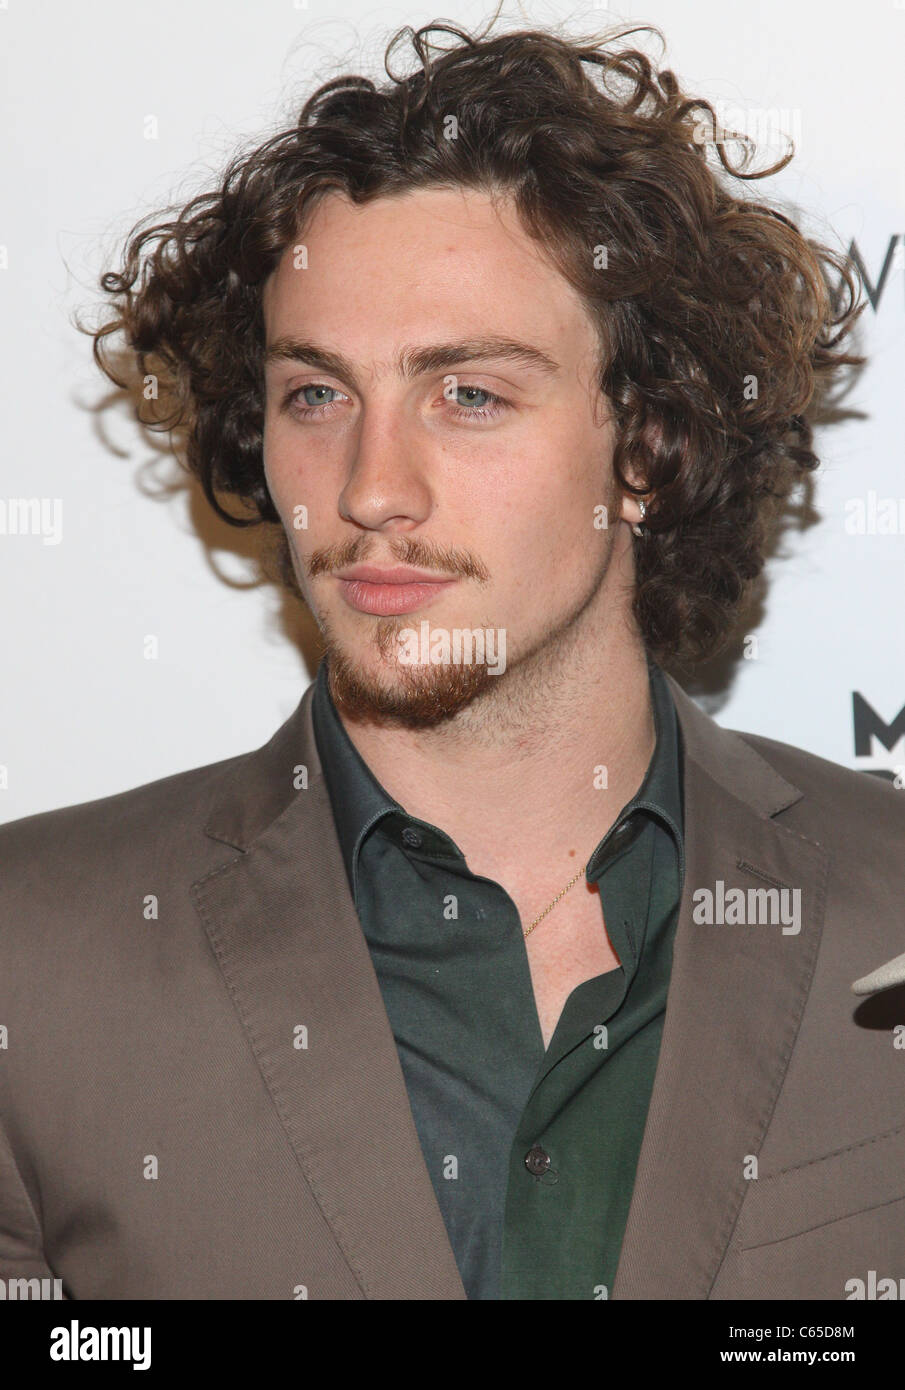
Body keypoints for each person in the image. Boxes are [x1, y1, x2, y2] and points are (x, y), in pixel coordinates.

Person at [2, 18, 903, 1302]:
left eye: (467, 394)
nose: (371, 488)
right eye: (316, 394)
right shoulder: (32, 956)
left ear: (643, 446)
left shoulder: (890, 901)